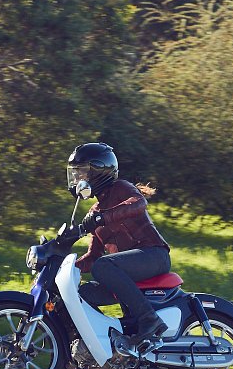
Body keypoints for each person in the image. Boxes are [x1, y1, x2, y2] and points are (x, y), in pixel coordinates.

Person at [67, 142, 170, 342]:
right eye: (75, 173)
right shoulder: (94, 212)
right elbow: (93, 256)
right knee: (84, 293)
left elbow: (139, 203)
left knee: (103, 266)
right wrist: (69, 268)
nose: (78, 179)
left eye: (82, 172)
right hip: (126, 270)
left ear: (99, 171)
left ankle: (150, 319)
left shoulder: (121, 188)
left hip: (154, 256)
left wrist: (105, 217)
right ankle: (108, 339)